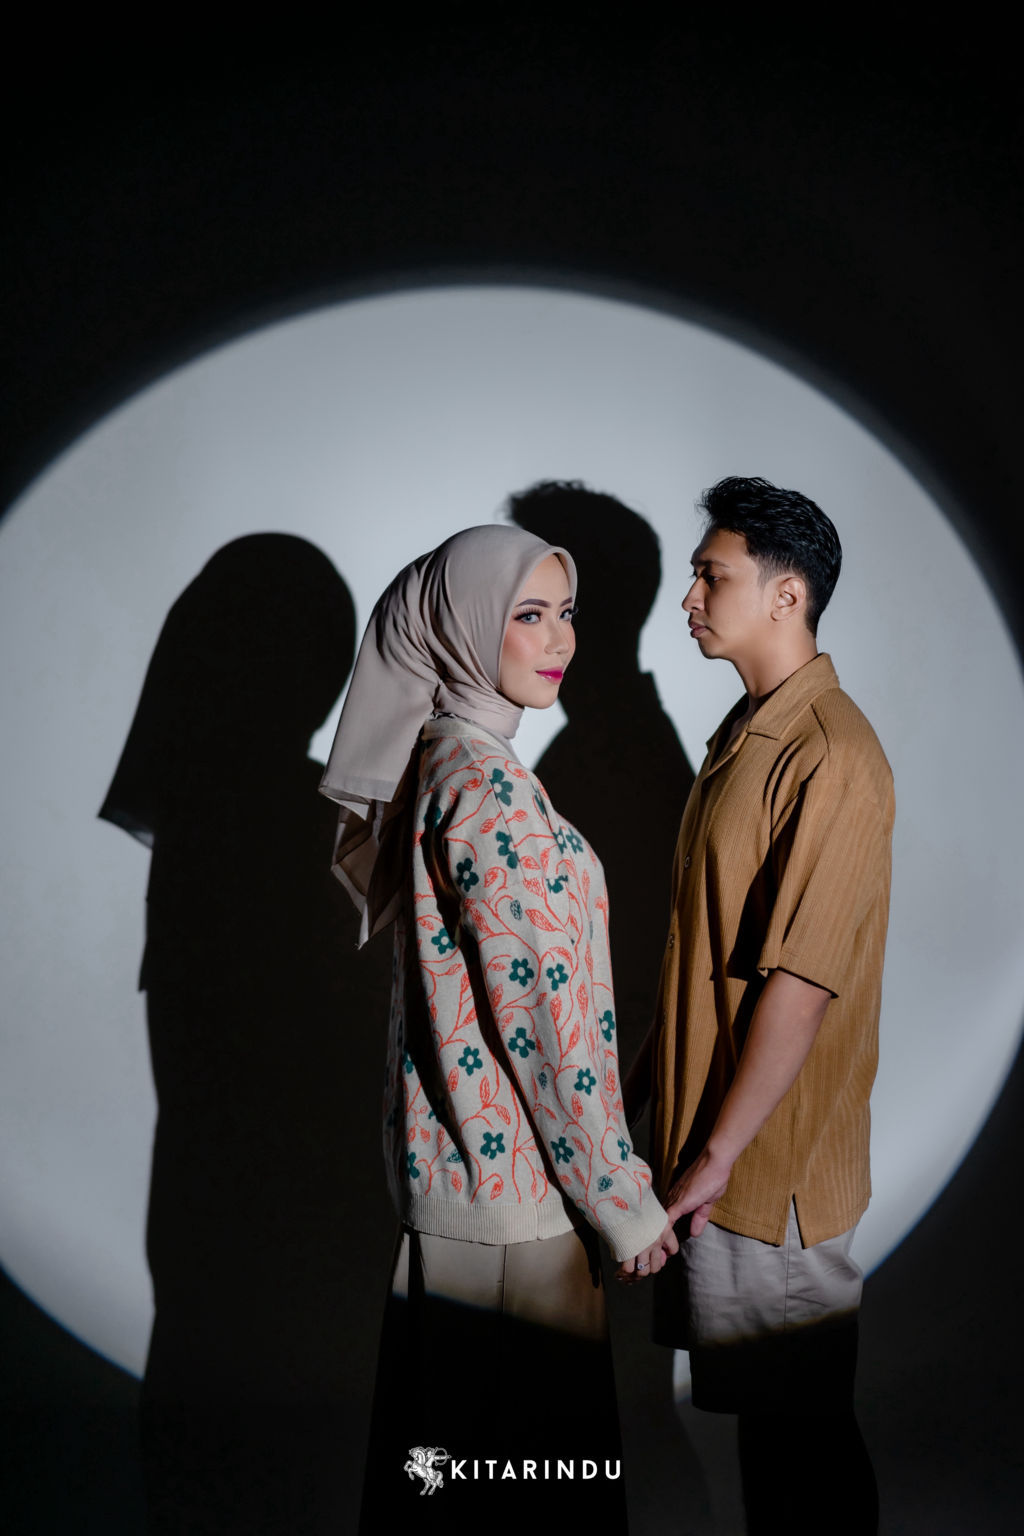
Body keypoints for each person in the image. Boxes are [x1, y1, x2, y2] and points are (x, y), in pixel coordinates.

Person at [318, 524, 676, 1530]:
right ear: (466, 629)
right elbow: (544, 1031)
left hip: (457, 1196)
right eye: (528, 615)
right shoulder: (490, 793)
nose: (559, 640)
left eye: (566, 613)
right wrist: (621, 1200)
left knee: (452, 1486)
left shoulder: (440, 762)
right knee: (533, 1493)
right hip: (517, 1215)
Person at [630, 477, 893, 1534]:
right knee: (771, 1444)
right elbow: (702, 950)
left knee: (803, 1447)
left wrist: (715, 1158)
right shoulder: (745, 733)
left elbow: (802, 984)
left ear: (788, 594)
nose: (688, 598)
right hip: (722, 1149)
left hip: (771, 1168)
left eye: (711, 576)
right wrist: (641, 1097)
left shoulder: (834, 753)